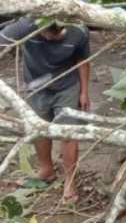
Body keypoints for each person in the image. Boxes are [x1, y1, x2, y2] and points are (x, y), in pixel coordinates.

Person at [0, 19, 90, 200]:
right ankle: (46, 170)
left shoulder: (78, 32)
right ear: (39, 28)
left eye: (59, 36)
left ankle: (70, 182)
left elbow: (83, 61)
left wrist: (84, 92)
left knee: (68, 133)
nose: (54, 39)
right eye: (49, 36)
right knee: (39, 129)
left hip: (67, 87)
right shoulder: (26, 26)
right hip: (36, 87)